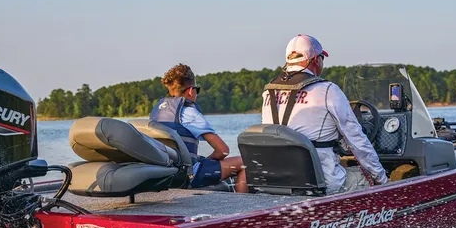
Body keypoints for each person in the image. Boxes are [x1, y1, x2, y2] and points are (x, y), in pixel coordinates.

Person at [261, 34, 388, 194]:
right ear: (316, 60)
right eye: (322, 58)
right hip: (321, 183)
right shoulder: (327, 90)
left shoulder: (268, 92)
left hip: (278, 181)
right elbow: (357, 141)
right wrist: (383, 179)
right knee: (368, 176)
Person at [150, 63, 248, 193]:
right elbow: (223, 151)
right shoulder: (190, 113)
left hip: (166, 174)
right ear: (191, 91)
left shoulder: (156, 112)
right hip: (188, 176)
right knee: (244, 163)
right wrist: (207, 161)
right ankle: (242, 208)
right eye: (197, 89)